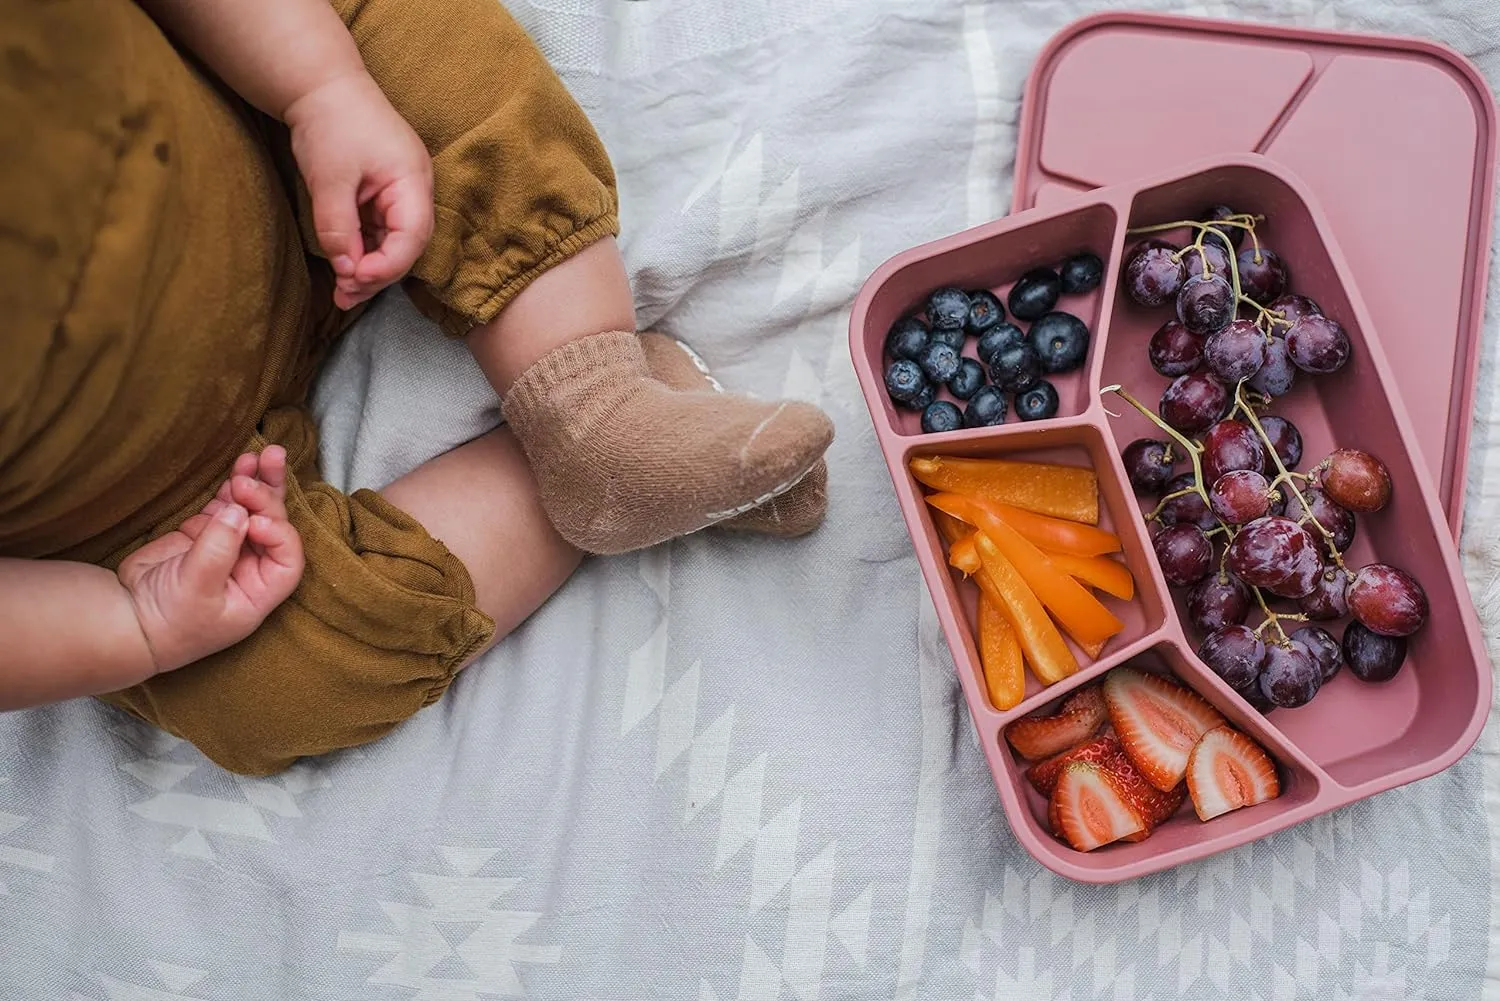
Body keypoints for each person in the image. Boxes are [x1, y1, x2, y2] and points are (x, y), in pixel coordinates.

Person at [0, 0, 835, 774]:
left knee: (422, 43)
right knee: (265, 690)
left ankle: (592, 397)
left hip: (274, 128)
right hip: (150, 520)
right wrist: (134, 625)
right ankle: (606, 461)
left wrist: (321, 87)